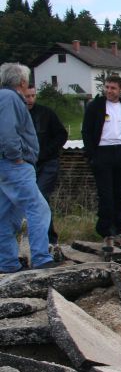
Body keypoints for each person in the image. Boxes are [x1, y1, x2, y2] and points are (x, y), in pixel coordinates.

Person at [0, 63, 58, 272]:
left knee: (5, 215)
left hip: (5, 166)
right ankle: (41, 258)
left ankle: (7, 263)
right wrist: (16, 156)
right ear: (23, 82)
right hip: (15, 165)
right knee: (38, 209)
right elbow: (7, 132)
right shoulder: (10, 98)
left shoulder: (3, 97)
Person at [82, 74, 121, 253]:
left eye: (113, 88)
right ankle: (106, 232)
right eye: (107, 87)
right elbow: (86, 132)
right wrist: (92, 155)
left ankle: (119, 231)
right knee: (105, 195)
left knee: (119, 194)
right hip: (102, 152)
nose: (109, 91)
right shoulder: (95, 107)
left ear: (120, 90)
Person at [25, 86, 68, 245]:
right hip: (26, 164)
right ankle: (38, 238)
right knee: (30, 201)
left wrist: (47, 152)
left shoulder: (46, 113)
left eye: (32, 96)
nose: (30, 99)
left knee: (40, 196)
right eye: (27, 96)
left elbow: (61, 135)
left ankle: (49, 239)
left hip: (48, 162)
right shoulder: (16, 115)